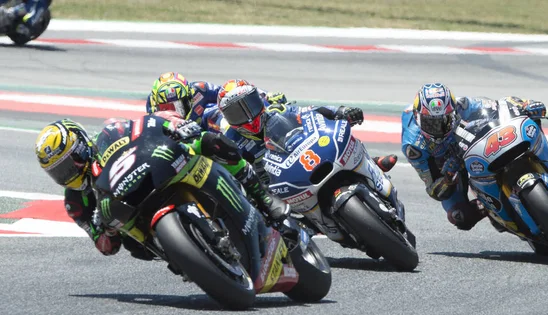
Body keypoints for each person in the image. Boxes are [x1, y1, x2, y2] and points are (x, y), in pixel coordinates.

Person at [34, 114, 290, 259]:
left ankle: (260, 193)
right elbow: (105, 248)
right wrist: (104, 231)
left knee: (205, 141)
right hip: (137, 217)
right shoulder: (76, 203)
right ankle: (184, 256)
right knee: (136, 249)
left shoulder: (108, 134)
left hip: (155, 171)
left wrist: (175, 126)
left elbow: (146, 125)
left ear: (81, 148)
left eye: (67, 166)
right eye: (58, 173)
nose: (66, 176)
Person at [401, 82, 548, 231]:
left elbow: (498, 106)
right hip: (447, 164)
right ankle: (490, 209)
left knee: (530, 118)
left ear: (452, 112)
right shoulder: (414, 146)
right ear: (418, 117)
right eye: (431, 123)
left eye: (443, 121)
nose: (437, 128)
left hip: (470, 143)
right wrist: (447, 178)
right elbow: (433, 190)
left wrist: (524, 104)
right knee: (459, 216)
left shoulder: (462, 105)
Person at [215, 79, 399, 178]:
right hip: (277, 185)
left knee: (336, 131)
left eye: (250, 105)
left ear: (258, 100)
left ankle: (369, 163)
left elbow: (310, 112)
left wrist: (340, 112)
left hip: (305, 155)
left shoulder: (275, 110)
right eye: (237, 113)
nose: (249, 116)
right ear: (228, 118)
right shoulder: (232, 140)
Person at [145, 72, 287, 131]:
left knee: (215, 111)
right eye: (167, 107)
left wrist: (266, 96)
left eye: (179, 106)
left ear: (189, 97)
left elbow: (232, 91)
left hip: (208, 135)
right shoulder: (152, 110)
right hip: (183, 146)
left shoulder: (199, 90)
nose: (174, 111)